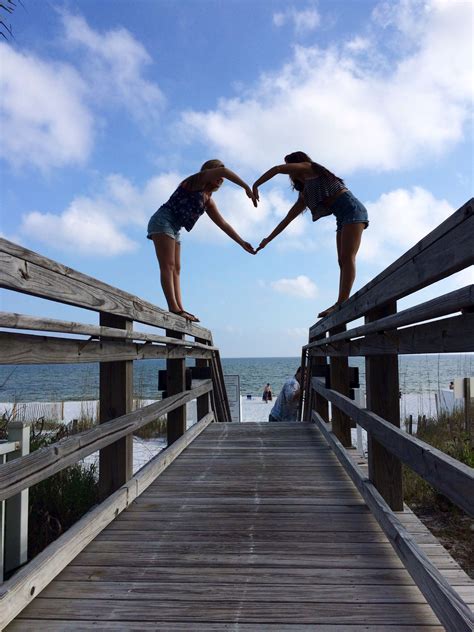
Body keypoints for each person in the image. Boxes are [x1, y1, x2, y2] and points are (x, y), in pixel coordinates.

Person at [253, 151, 369, 318]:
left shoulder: (310, 168)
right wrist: (267, 240)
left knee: (347, 257)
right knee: (341, 260)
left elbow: (277, 169)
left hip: (352, 209)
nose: (289, 172)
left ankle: (342, 303)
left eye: (290, 166)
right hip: (341, 217)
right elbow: (287, 220)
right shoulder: (305, 194)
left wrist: (256, 185)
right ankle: (340, 302)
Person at [147, 159, 257, 322]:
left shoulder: (208, 200)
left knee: (177, 269)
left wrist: (242, 243)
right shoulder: (195, 181)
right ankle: (173, 308)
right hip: (163, 220)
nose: (221, 179)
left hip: (175, 228)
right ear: (209, 172)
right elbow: (224, 171)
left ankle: (180, 308)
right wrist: (246, 187)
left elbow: (223, 224)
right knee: (168, 265)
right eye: (218, 174)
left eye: (222, 179)